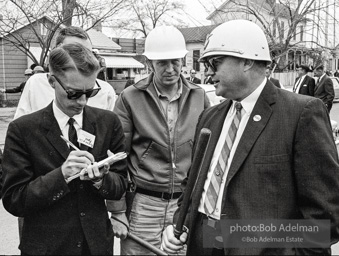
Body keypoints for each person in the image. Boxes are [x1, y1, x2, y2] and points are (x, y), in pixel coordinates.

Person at [161, 19, 339, 255]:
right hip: (203, 244)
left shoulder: (301, 114)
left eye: (215, 62)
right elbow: (193, 186)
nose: (208, 72)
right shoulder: (209, 117)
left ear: (246, 61)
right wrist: (180, 223)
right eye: (206, 64)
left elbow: (325, 215)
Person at [1, 43, 127, 255]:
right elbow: (14, 199)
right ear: (52, 81)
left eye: (90, 92)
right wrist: (61, 176)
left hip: (95, 247)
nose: (83, 101)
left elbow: (121, 183)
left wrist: (101, 180)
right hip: (46, 247)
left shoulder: (108, 122)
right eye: (73, 93)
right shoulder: (23, 130)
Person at [110, 25, 210, 255]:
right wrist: (117, 210)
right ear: (149, 63)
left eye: (175, 61)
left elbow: (210, 155)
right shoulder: (130, 98)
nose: (170, 68)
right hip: (144, 204)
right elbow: (116, 158)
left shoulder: (200, 96)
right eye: (162, 62)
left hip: (183, 204)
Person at [14, 26, 116, 119]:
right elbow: (21, 126)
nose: (82, 58)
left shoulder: (105, 91)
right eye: (73, 51)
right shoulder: (35, 84)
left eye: (88, 52)